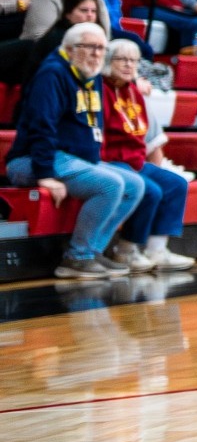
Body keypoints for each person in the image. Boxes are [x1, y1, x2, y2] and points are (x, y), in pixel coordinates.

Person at [4, 23, 147, 279]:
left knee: (135, 185)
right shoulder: (52, 74)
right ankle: (76, 258)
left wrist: (93, 162)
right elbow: (41, 126)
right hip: (31, 161)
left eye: (101, 48)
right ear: (69, 49)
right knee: (110, 185)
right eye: (89, 47)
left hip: (71, 159)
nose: (96, 54)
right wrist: (44, 173)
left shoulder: (88, 76)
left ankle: (92, 251)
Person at [100, 39, 197, 273]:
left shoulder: (133, 91)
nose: (128, 65)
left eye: (133, 61)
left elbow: (147, 136)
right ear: (107, 61)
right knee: (150, 189)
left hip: (134, 161)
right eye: (121, 59)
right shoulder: (100, 89)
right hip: (110, 161)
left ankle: (157, 250)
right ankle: (126, 251)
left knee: (175, 184)